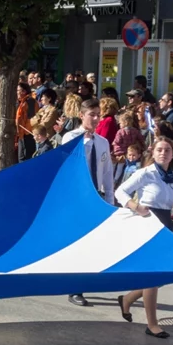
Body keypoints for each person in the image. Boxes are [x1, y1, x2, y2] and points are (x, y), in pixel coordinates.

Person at [115, 136, 173, 338]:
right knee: (153, 274)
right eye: (159, 149)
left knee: (159, 277)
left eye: (167, 150)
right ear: (153, 153)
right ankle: (152, 324)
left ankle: (127, 300)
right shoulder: (145, 173)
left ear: (172, 154)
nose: (163, 153)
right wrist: (136, 206)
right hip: (147, 223)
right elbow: (120, 192)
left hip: (166, 226)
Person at [62, 98, 115, 307]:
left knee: (91, 243)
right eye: (91, 114)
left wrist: (110, 198)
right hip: (76, 197)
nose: (95, 118)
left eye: (98, 115)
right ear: (81, 116)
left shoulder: (102, 142)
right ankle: (75, 288)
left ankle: (81, 280)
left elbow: (108, 171)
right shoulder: (70, 138)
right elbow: (66, 168)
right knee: (77, 243)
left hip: (96, 196)